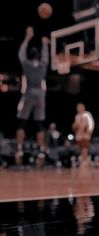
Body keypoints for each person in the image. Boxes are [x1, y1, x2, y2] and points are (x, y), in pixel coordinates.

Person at [15, 26, 50, 167]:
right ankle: (42, 151)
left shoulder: (27, 64)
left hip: (29, 92)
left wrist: (27, 38)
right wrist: (44, 44)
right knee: (39, 124)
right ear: (38, 55)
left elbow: (20, 55)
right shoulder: (42, 64)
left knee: (22, 122)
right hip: (40, 95)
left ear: (30, 55)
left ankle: (19, 149)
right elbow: (46, 57)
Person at [72, 103, 94, 167]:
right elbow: (75, 126)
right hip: (79, 136)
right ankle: (84, 159)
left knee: (85, 147)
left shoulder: (87, 114)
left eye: (80, 107)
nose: (79, 109)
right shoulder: (77, 116)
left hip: (85, 135)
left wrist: (89, 131)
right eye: (78, 108)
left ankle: (85, 160)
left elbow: (91, 123)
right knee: (80, 148)